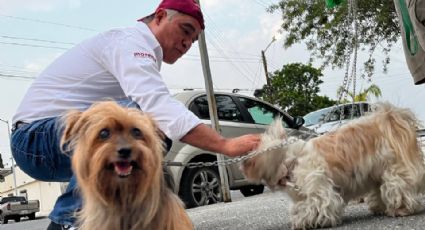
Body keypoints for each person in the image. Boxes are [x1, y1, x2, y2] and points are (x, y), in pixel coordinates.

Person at [10, 0, 260, 229]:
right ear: (160, 16)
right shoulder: (131, 42)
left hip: (49, 140)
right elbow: (159, 106)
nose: (187, 44)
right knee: (139, 119)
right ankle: (69, 222)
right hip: (34, 139)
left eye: (193, 40)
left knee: (149, 133)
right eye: (185, 30)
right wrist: (224, 144)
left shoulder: (142, 52)